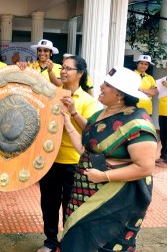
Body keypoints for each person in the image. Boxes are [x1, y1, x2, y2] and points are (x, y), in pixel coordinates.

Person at [60, 66, 157, 251]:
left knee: (109, 242)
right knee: (77, 236)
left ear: (119, 94)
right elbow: (85, 147)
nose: (101, 87)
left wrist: (103, 177)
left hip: (117, 194)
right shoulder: (100, 114)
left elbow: (145, 168)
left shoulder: (138, 122)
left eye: (107, 85)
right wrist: (68, 120)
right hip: (84, 190)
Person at [36, 55, 97, 252]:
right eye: (62, 67)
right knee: (49, 203)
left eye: (68, 68)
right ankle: (50, 241)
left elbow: (90, 130)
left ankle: (68, 243)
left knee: (71, 205)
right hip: (50, 160)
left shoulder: (88, 101)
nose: (63, 71)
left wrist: (73, 112)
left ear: (79, 73)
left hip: (75, 162)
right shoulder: (51, 94)